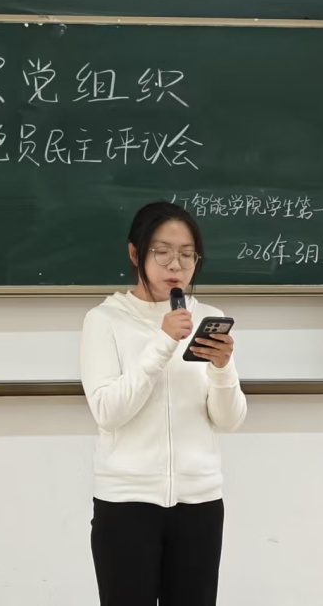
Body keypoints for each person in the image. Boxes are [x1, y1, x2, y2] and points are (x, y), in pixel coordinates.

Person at [79, 200, 247, 606]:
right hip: (126, 501)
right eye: (162, 252)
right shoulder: (105, 320)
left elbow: (229, 420)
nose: (176, 265)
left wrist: (222, 368)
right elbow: (109, 411)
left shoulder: (208, 317)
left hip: (200, 501)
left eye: (187, 255)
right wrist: (163, 342)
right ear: (135, 253)